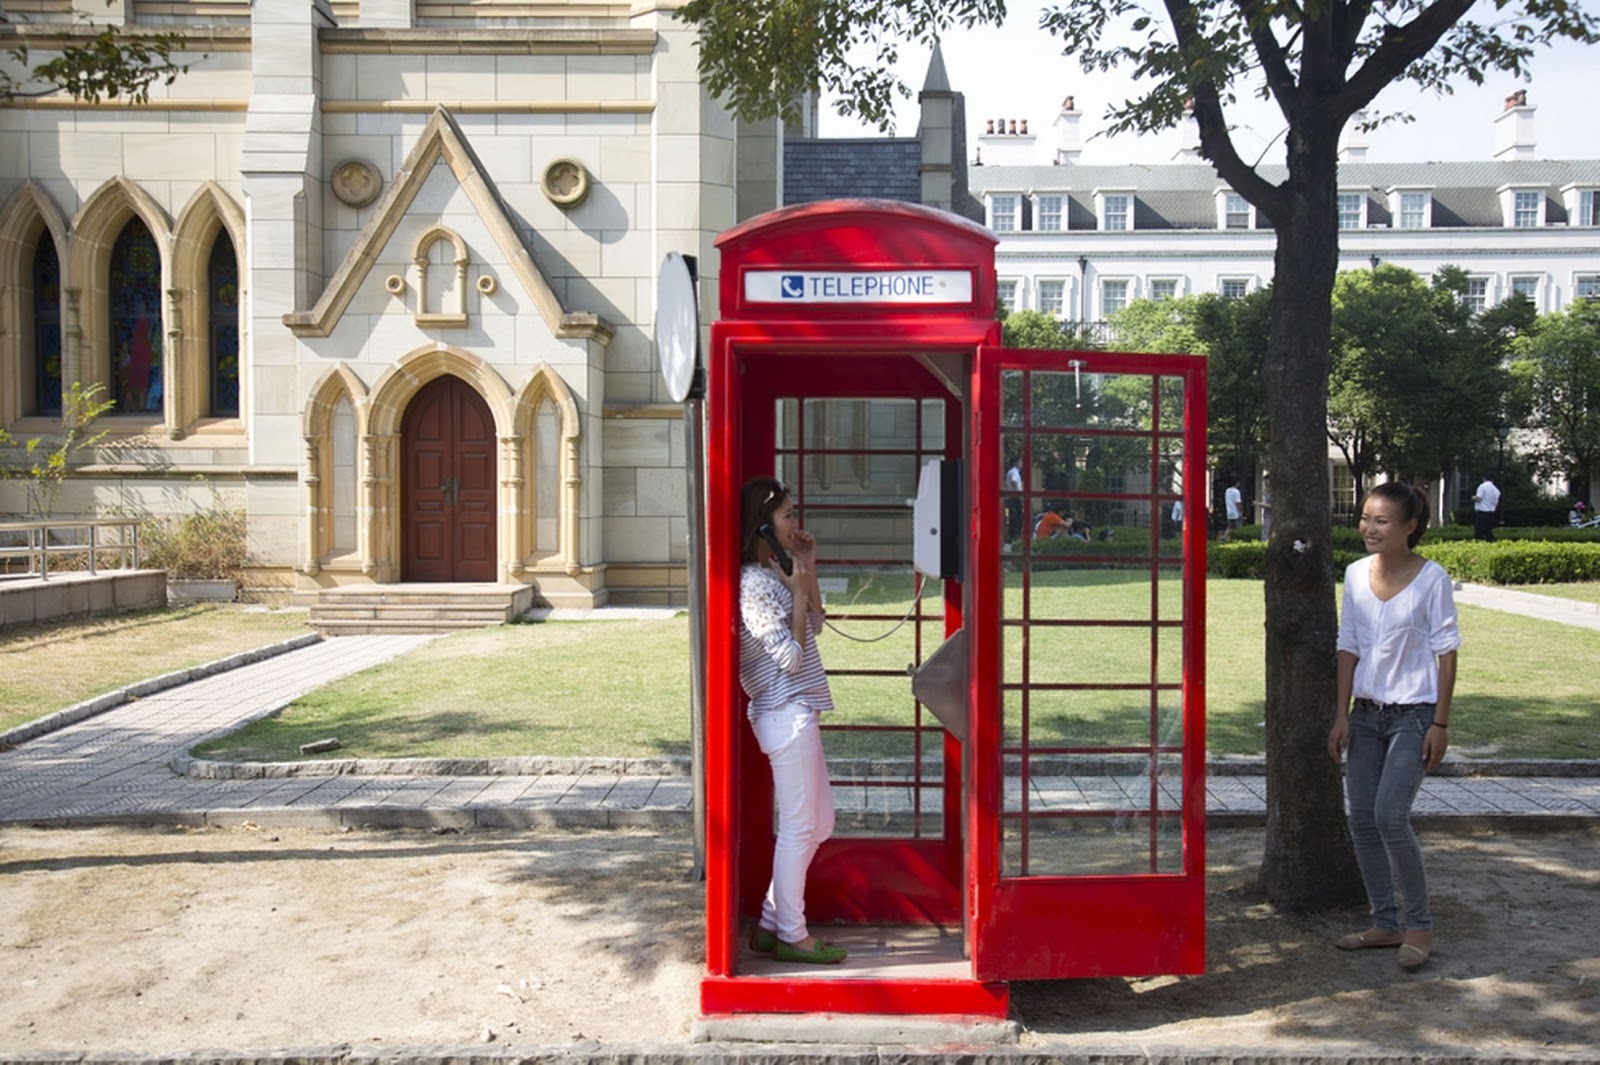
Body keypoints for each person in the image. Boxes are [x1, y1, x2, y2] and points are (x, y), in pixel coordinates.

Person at [1327, 481, 1459, 972]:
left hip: (1414, 715)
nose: (1369, 528)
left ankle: (1418, 926)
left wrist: (1440, 723)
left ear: (1410, 527)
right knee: (1360, 818)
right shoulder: (1356, 574)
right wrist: (1341, 714)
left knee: (1389, 816)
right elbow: (1348, 645)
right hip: (1365, 714)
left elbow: (1447, 652)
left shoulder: (1432, 579)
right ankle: (1385, 922)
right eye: (1366, 518)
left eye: (1382, 521)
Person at [737, 477, 847, 965]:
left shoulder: (774, 572)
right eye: (785, 516)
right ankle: (792, 935)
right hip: (784, 713)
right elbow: (789, 659)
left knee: (820, 822)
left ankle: (769, 922)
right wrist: (797, 594)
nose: (794, 524)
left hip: (799, 711)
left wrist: (808, 572)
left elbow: (818, 625)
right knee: (802, 826)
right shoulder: (753, 584)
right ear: (762, 525)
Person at [1471, 475, 1500, 541]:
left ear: (1484, 478)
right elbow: (1496, 503)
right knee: (1488, 533)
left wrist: (1473, 498)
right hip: (1491, 514)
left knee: (1478, 533)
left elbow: (1478, 498)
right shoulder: (1496, 490)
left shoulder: (1482, 486)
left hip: (1482, 513)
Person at [1004, 457, 1024, 540]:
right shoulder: (1014, 472)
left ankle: (1013, 536)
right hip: (1015, 497)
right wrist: (1018, 494)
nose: (1021, 463)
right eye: (1020, 461)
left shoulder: (1013, 472)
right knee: (1016, 518)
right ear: (1015, 463)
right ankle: (1015, 537)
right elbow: (1014, 481)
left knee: (1015, 517)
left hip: (1013, 497)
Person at [1255, 473, 1273, 539]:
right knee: (1265, 531)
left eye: (1266, 481)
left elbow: (1271, 505)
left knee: (1267, 533)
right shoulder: (1267, 491)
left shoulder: (1273, 492)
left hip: (1271, 516)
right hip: (1266, 515)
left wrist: (1259, 504)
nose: (1265, 483)